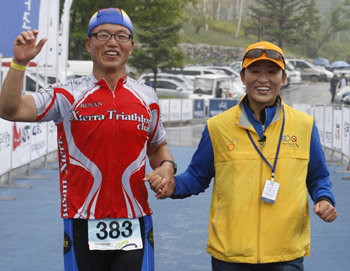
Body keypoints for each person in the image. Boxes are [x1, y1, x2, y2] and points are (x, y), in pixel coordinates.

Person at [0, 8, 176, 271]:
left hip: (136, 219)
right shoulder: (67, 94)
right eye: (102, 35)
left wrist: (167, 167)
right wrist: (19, 64)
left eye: (121, 36)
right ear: (88, 43)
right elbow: (10, 109)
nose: (112, 43)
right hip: (81, 220)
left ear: (131, 45)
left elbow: (158, 146)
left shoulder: (147, 97)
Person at [146, 41, 338, 271]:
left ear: (284, 78)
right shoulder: (218, 127)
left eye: (272, 72)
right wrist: (170, 186)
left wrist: (324, 199)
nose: (263, 79)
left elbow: (318, 177)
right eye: (255, 71)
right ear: (242, 76)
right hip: (230, 256)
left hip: (286, 254)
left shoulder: (304, 126)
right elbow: (197, 177)